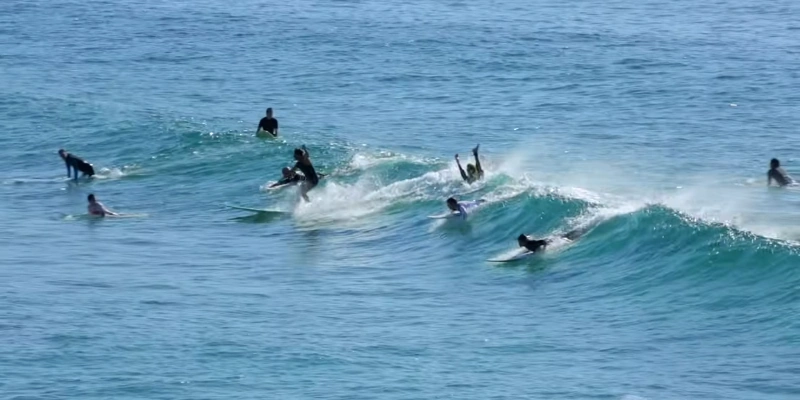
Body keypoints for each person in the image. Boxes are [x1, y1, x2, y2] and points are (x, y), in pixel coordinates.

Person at [517, 226, 588, 253]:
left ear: (524, 241)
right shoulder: (527, 245)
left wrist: (544, 249)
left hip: (550, 241)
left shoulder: (531, 243)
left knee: (568, 236)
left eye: (520, 241)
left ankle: (580, 230)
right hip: (549, 240)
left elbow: (543, 242)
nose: (519, 243)